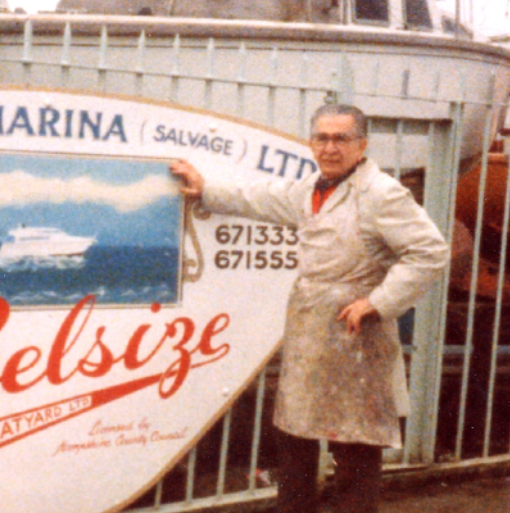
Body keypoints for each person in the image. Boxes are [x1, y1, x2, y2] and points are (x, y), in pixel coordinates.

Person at [170, 104, 449, 513]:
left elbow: (430, 252)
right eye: (321, 138)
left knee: (353, 447)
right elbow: (261, 199)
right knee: (295, 437)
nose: (330, 148)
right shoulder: (311, 188)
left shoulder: (382, 193)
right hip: (310, 333)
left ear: (362, 145)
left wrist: (376, 302)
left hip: (357, 337)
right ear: (311, 142)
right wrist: (206, 189)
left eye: (341, 139)